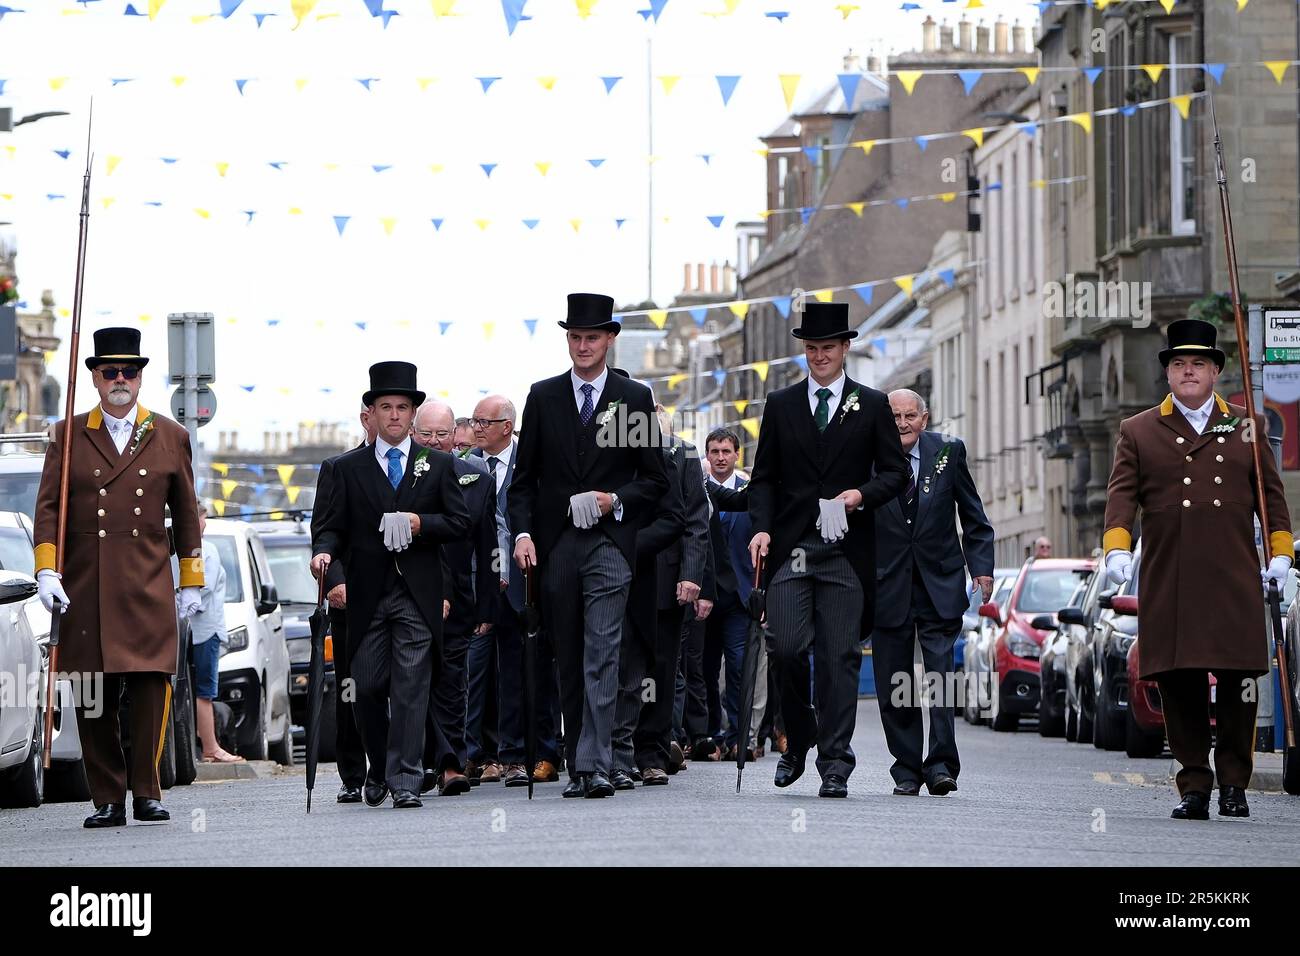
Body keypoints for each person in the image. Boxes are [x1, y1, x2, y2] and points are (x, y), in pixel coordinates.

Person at [1102, 318, 1292, 821]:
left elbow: (1271, 498)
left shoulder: (1246, 423)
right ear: (1168, 373)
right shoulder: (1138, 429)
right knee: (1177, 684)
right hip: (1171, 577)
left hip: (1231, 575)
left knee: (1238, 684)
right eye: (1180, 364)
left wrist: (1281, 554)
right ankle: (1194, 786)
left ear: (1215, 372)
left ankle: (1234, 784)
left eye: (1199, 364)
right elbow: (1121, 496)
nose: (1189, 372)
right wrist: (1117, 548)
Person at [722, 302, 909, 797]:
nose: (819, 356)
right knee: (783, 646)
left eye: (827, 348)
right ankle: (798, 737)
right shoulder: (781, 404)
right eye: (811, 348)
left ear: (845, 348)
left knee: (839, 657)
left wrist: (857, 496)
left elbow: (896, 474)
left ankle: (835, 762)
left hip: (845, 552)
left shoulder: (871, 405)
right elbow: (762, 480)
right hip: (792, 550)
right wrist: (760, 528)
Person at [34, 327, 205, 828]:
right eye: (110, 372)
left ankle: (147, 791)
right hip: (87, 583)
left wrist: (190, 577)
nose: (120, 380)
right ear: (93, 377)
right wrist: (47, 569)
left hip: (147, 581)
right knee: (92, 693)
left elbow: (188, 514)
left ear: (141, 377)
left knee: (152, 686)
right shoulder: (67, 434)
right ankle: (107, 796)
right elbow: (48, 510)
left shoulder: (169, 435)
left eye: (129, 371)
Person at [508, 292, 670, 798]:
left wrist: (611, 500)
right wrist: (523, 534)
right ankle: (581, 757)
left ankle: (595, 765)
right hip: (556, 547)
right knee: (569, 657)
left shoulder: (635, 398)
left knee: (603, 652)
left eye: (592, 337)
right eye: (575, 337)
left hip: (609, 545)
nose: (582, 345)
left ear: (610, 339)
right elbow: (522, 483)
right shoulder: (543, 396)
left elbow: (655, 481)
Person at [311, 362, 471, 810]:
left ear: (413, 413)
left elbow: (460, 523)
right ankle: (379, 766)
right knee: (362, 686)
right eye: (387, 407)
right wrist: (326, 563)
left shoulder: (437, 465)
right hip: (365, 595)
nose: (396, 415)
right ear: (372, 413)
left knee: (411, 686)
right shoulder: (343, 468)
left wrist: (420, 523)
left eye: (403, 407)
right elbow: (328, 529)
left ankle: (405, 779)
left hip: (417, 594)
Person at [871, 389, 994, 796]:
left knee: (940, 679)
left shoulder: (949, 452)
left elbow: (973, 516)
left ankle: (941, 765)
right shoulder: (865, 458)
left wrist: (981, 568)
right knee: (894, 683)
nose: (902, 423)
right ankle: (906, 768)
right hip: (887, 586)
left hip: (938, 583)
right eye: (894, 417)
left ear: (925, 419)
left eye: (910, 416)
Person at [470, 394, 564, 784]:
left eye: (483, 423)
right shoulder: (468, 466)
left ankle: (546, 751)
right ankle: (509, 755)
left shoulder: (535, 462)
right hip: (491, 585)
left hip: (531, 580)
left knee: (540, 670)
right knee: (502, 673)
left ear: (506, 426)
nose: (475, 429)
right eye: (473, 422)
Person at [610, 396, 696, 788]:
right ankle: (613, 753)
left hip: (662, 577)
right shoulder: (603, 459)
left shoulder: (678, 456)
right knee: (614, 665)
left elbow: (692, 521)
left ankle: (653, 754)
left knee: (660, 670)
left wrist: (692, 576)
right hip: (610, 575)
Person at [412, 400, 497, 795]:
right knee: (414, 680)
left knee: (452, 680)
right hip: (410, 594)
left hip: (461, 598)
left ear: (456, 437)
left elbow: (487, 547)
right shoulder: (401, 479)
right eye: (426, 434)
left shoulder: (477, 479)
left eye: (442, 434)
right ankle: (424, 760)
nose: (434, 442)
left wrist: (486, 607)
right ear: (414, 434)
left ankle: (450, 763)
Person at [309, 403, 375, 803]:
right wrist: (333, 579)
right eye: (378, 410)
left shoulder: (420, 465)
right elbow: (324, 530)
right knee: (350, 685)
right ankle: (353, 773)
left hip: (400, 593)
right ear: (366, 419)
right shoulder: (340, 467)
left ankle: (404, 767)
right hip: (351, 596)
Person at [700, 427, 755, 760]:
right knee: (704, 670)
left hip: (739, 595)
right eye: (714, 452)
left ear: (737, 455)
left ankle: (738, 737)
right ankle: (710, 736)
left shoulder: (750, 492)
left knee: (737, 667)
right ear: (707, 455)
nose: (720, 458)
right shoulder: (696, 489)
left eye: (726, 452)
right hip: (703, 595)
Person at [185, 504, 243, 764]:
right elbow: (201, 588)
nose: (205, 525)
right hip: (205, 630)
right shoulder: (205, 551)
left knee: (194, 690)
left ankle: (206, 744)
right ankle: (210, 747)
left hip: (194, 629)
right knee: (204, 691)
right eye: (202, 519)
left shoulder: (184, 551)